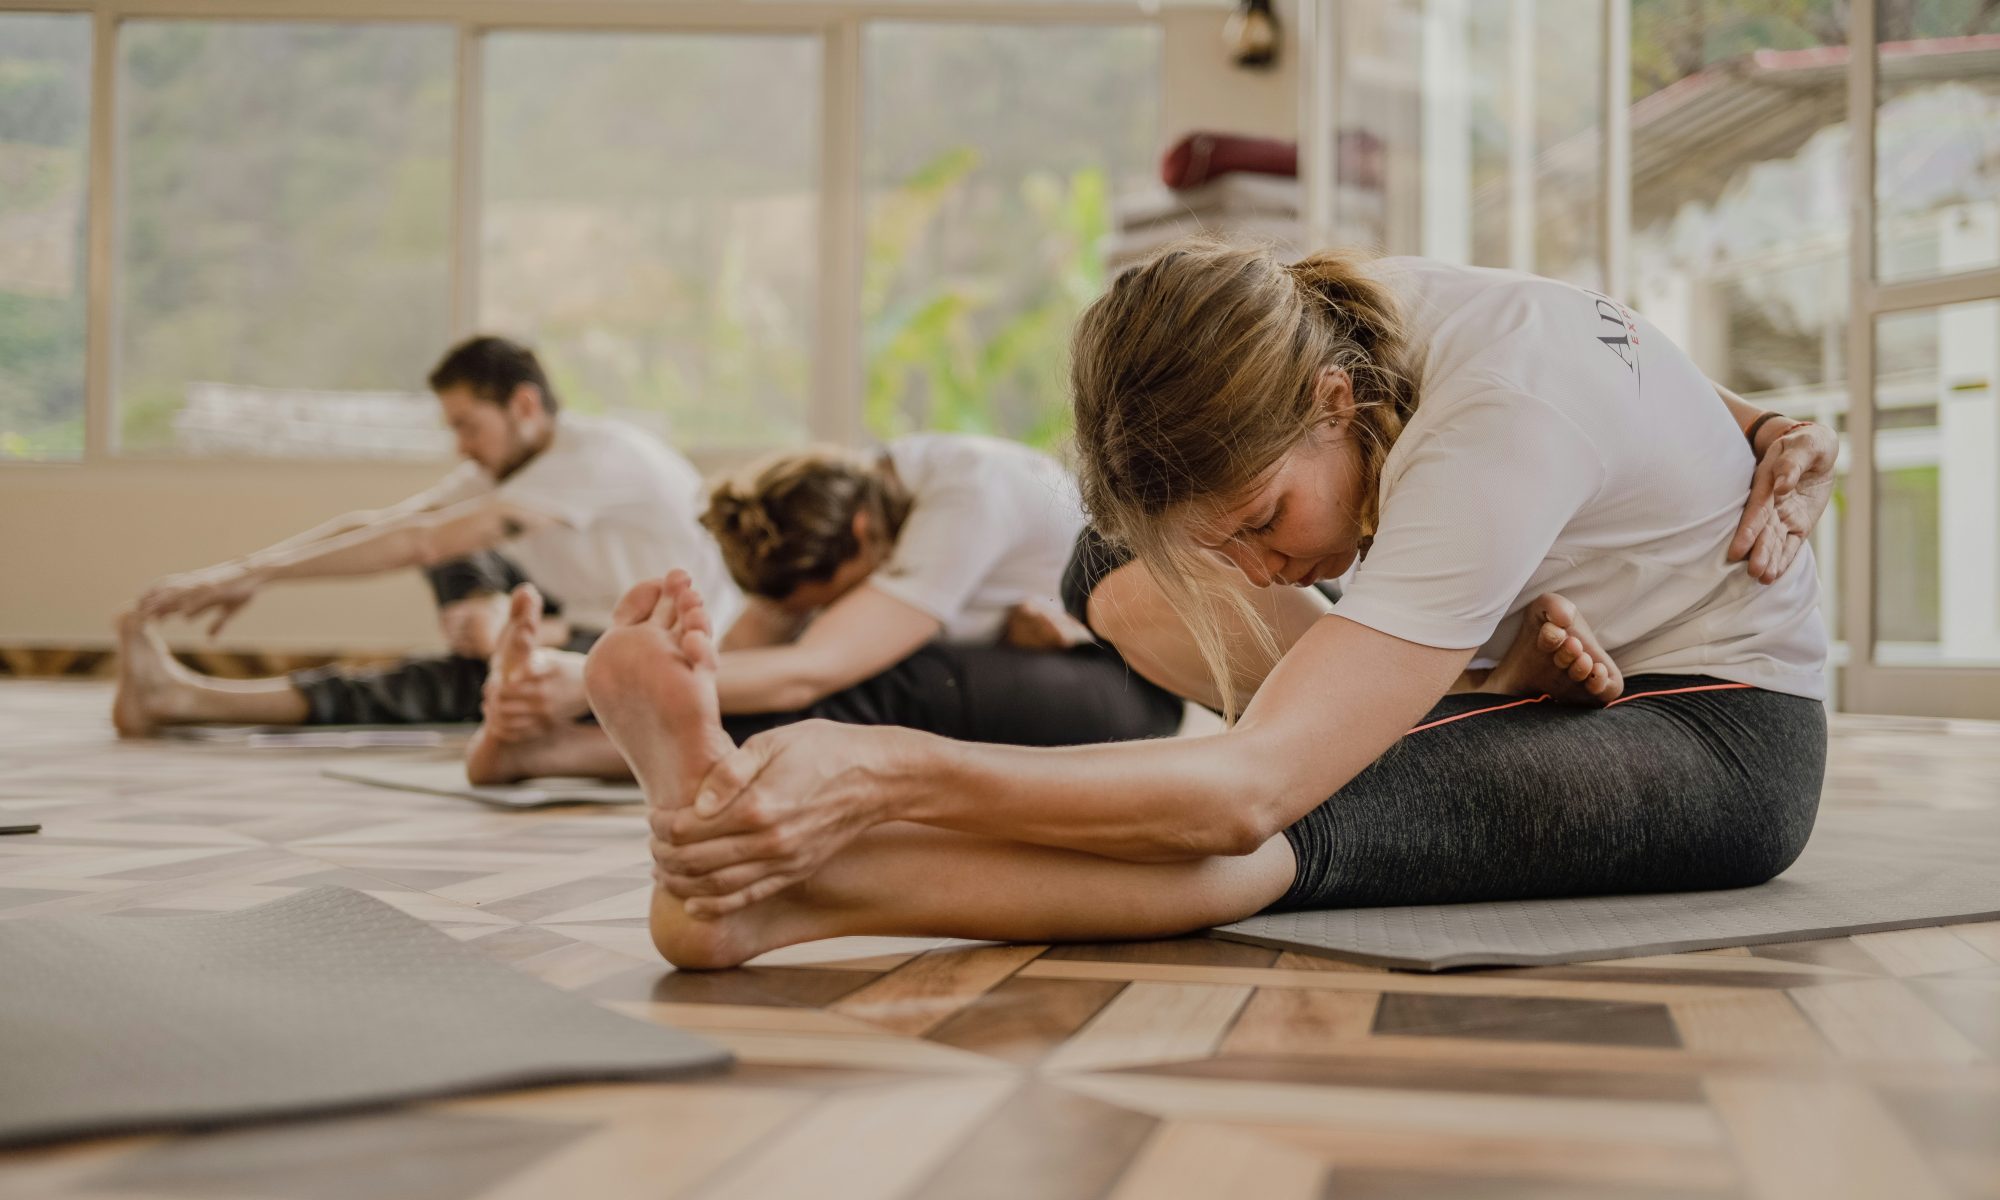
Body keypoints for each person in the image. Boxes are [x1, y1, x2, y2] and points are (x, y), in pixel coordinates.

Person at [578, 239, 1839, 970]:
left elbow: (1247, 786)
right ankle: (1433, 713)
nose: (1254, 570)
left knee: (1287, 812)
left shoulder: (1487, 418)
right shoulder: (1337, 322)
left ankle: (790, 895)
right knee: (1104, 572)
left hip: (1717, 733)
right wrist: (1760, 418)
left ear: (1333, 407)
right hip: (1539, 663)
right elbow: (1635, 380)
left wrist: (887, 769)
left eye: (1260, 521)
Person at [461, 434, 1186, 784]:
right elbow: (754, 654)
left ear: (863, 541)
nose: (822, 612)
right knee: (870, 673)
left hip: (1129, 694)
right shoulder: (850, 500)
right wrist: (593, 692)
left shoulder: (964, 499)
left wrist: (582, 676)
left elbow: (809, 671)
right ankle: (553, 744)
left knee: (891, 680)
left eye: (826, 600)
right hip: (1021, 670)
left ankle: (561, 753)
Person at [111, 336, 737, 735]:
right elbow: (388, 527)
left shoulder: (601, 455)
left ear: (524, 406)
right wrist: (250, 569)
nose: (460, 446)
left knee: (469, 635)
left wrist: (247, 576)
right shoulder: (503, 469)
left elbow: (423, 543)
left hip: (660, 641)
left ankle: (190, 699)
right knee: (445, 537)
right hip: (573, 615)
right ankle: (492, 634)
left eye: (468, 426)